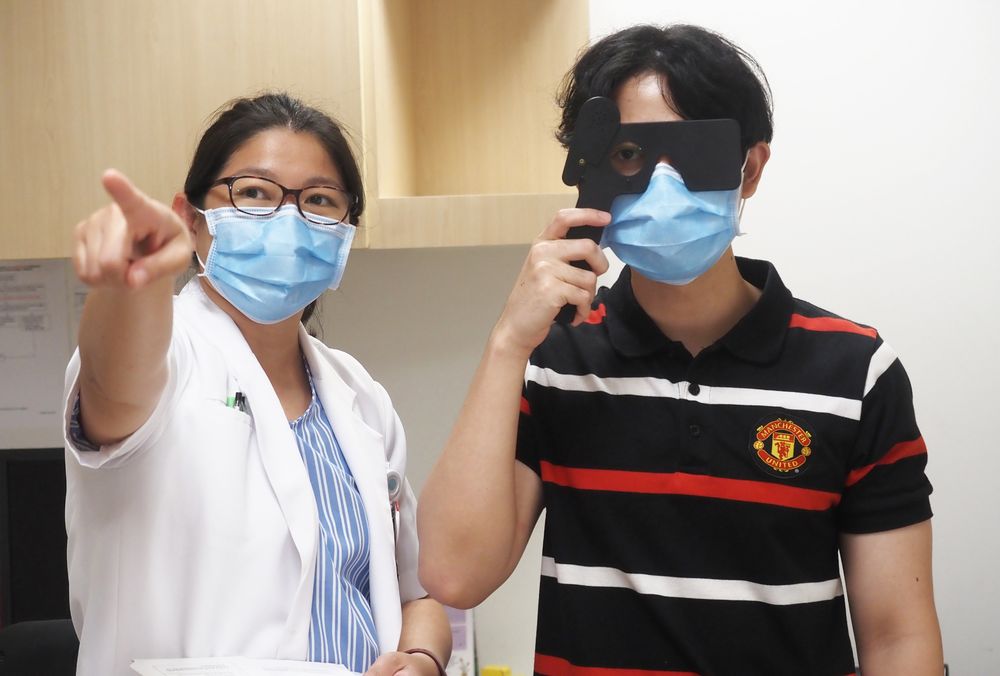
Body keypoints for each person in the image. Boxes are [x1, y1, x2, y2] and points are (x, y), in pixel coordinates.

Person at [418, 24, 943, 675]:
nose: (663, 185)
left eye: (692, 152)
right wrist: (507, 342)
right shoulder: (555, 360)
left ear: (749, 168)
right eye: (631, 156)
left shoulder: (856, 371)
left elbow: (898, 638)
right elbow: (452, 575)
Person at [64, 93, 451, 676]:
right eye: (254, 194)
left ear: (345, 231)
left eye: (320, 201)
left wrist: (423, 659)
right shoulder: (169, 356)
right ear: (191, 218)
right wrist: (131, 283)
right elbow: (113, 382)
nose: (289, 220)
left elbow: (416, 590)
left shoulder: (360, 397)